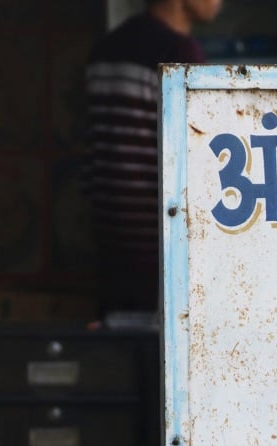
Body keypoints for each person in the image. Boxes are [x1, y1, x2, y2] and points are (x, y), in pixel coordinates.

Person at [84, 0, 222, 317]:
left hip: (108, 246)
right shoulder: (180, 57)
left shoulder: (105, 49)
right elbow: (196, 167)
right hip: (163, 252)